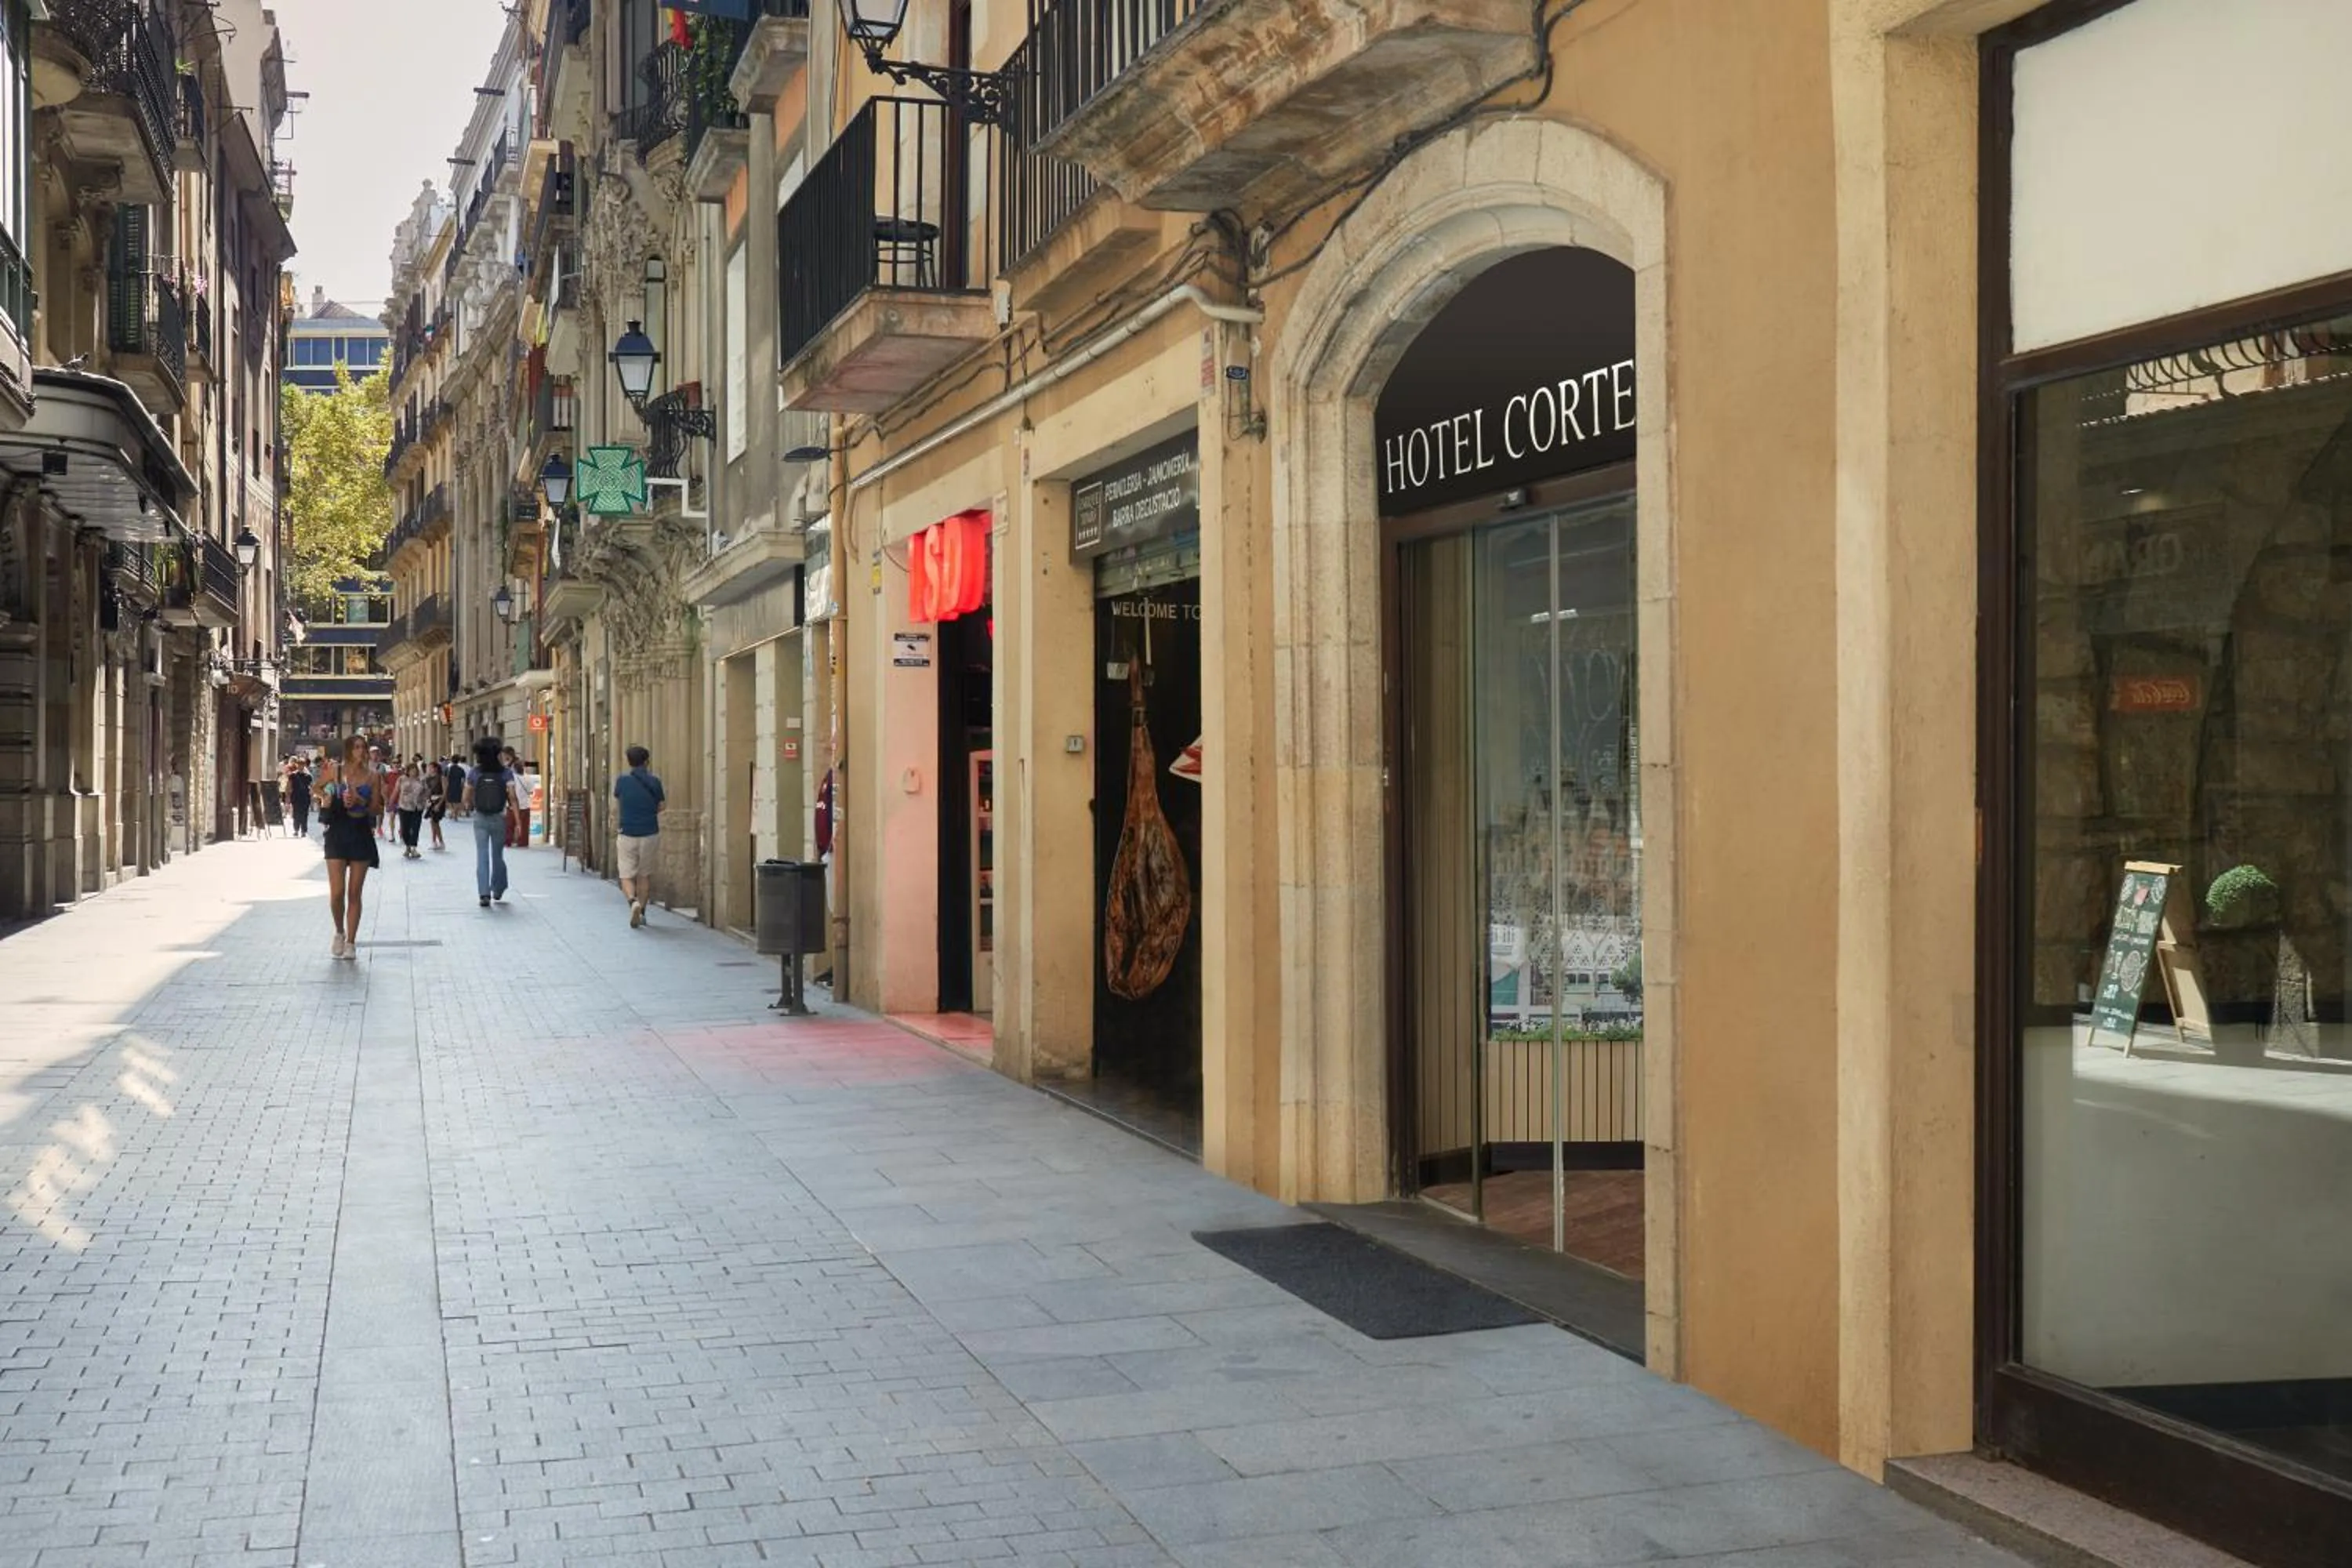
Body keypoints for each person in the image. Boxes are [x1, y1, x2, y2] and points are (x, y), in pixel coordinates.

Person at [318, 735, 380, 959]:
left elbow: (377, 808)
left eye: (363, 747)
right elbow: (316, 788)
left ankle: (352, 942)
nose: (360, 751)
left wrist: (359, 801)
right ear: (347, 750)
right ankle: (339, 931)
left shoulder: (373, 776)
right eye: (356, 748)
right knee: (337, 893)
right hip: (336, 832)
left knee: (355, 893)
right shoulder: (335, 771)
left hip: (360, 833)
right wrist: (326, 796)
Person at [613, 743, 665, 928]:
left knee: (626, 874)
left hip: (627, 832)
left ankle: (632, 902)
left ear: (629, 762)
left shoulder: (622, 781)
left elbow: (619, 802)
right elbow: (661, 807)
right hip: (650, 832)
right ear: (647, 762)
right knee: (644, 875)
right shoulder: (655, 782)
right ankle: (642, 912)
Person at [463, 737, 514, 908]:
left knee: (482, 855)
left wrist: (469, 805)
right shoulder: (506, 773)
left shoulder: (475, 773)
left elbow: (466, 798)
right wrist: (519, 821)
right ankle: (498, 888)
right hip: (499, 818)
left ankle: (484, 894)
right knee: (497, 855)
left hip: (481, 818)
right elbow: (513, 798)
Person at [395, 760, 428, 859]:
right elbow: (396, 790)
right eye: (411, 770)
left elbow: (427, 791)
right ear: (408, 771)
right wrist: (391, 801)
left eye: (415, 770)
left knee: (415, 827)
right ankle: (408, 846)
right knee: (405, 829)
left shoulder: (421, 780)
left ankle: (413, 848)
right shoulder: (402, 779)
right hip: (404, 807)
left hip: (417, 807)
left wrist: (424, 800)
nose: (413, 772)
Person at [423, 754, 448, 851]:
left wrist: (440, 803)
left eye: (431, 767)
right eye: (428, 767)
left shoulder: (442, 778)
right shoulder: (428, 779)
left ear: (436, 768)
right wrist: (427, 800)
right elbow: (427, 791)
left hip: (439, 801)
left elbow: (445, 791)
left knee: (435, 821)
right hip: (431, 801)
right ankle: (435, 841)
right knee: (432, 821)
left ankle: (440, 842)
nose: (429, 769)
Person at [286, 754, 314, 838]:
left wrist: (312, 798)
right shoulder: (292, 775)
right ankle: (296, 829)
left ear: (304, 765)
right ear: (297, 765)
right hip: (296, 797)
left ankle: (304, 831)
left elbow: (311, 787)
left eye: (302, 764)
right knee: (296, 814)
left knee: (305, 814)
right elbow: (289, 786)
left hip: (305, 797)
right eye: (299, 764)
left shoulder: (308, 776)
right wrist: (288, 797)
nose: (301, 766)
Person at [445, 754, 470, 820]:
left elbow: (444, 778)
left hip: (450, 786)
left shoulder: (448, 768)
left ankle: (453, 812)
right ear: (458, 761)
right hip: (458, 786)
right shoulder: (461, 769)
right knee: (457, 801)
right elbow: (463, 780)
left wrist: (445, 786)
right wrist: (462, 786)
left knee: (450, 801)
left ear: (451, 760)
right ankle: (455, 814)